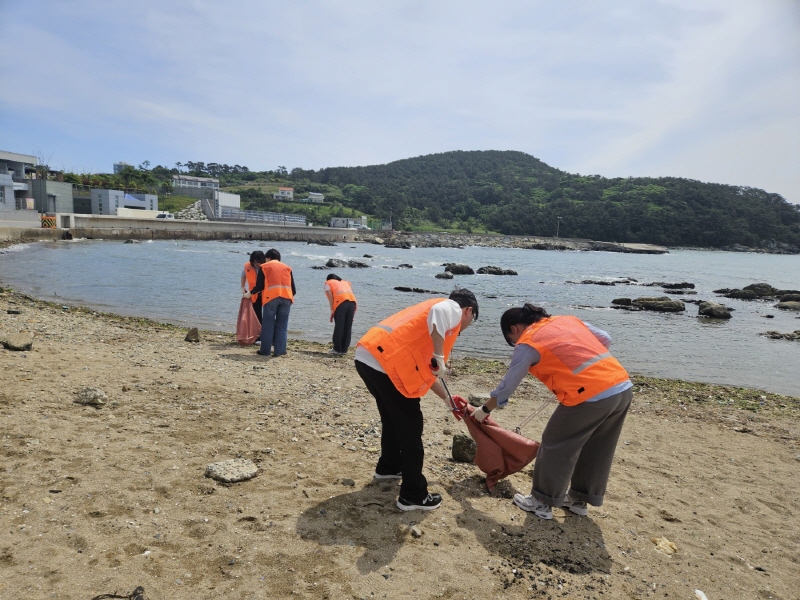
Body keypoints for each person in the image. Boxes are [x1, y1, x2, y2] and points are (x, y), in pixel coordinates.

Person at [473, 303, 632, 520]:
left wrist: (485, 409)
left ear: (514, 329)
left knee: (556, 444)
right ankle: (579, 500)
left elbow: (508, 385)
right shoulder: (566, 320)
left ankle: (542, 502)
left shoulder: (527, 342)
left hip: (589, 396)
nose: (514, 343)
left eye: (511, 340)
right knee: (597, 447)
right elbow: (604, 338)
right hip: (621, 387)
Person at [355, 289, 479, 511]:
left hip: (368, 357)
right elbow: (441, 312)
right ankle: (413, 495)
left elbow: (427, 371)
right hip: (385, 364)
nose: (467, 325)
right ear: (468, 310)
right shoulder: (450, 307)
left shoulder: (430, 326)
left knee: (393, 419)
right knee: (411, 427)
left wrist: (448, 401)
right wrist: (440, 358)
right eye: (472, 319)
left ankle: (389, 468)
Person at [249, 248, 296, 357]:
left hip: (271, 298)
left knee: (268, 325)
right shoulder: (287, 268)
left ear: (268, 258)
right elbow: (293, 289)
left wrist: (250, 293)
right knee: (282, 325)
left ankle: (265, 351)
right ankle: (280, 351)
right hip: (287, 298)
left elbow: (259, 286)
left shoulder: (264, 267)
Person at [324, 274, 356, 356]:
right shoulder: (345, 282)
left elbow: (331, 298)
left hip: (341, 303)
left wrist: (332, 309)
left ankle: (337, 349)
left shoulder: (328, 283)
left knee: (339, 326)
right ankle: (344, 349)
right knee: (347, 327)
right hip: (352, 303)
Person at [241, 251, 266, 325]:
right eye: (254, 262)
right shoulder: (248, 266)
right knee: (256, 314)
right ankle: (257, 332)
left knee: (268, 315)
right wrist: (242, 287)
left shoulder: (266, 267)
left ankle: (265, 331)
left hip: (266, 293)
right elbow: (243, 275)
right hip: (253, 294)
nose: (256, 264)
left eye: (258, 262)